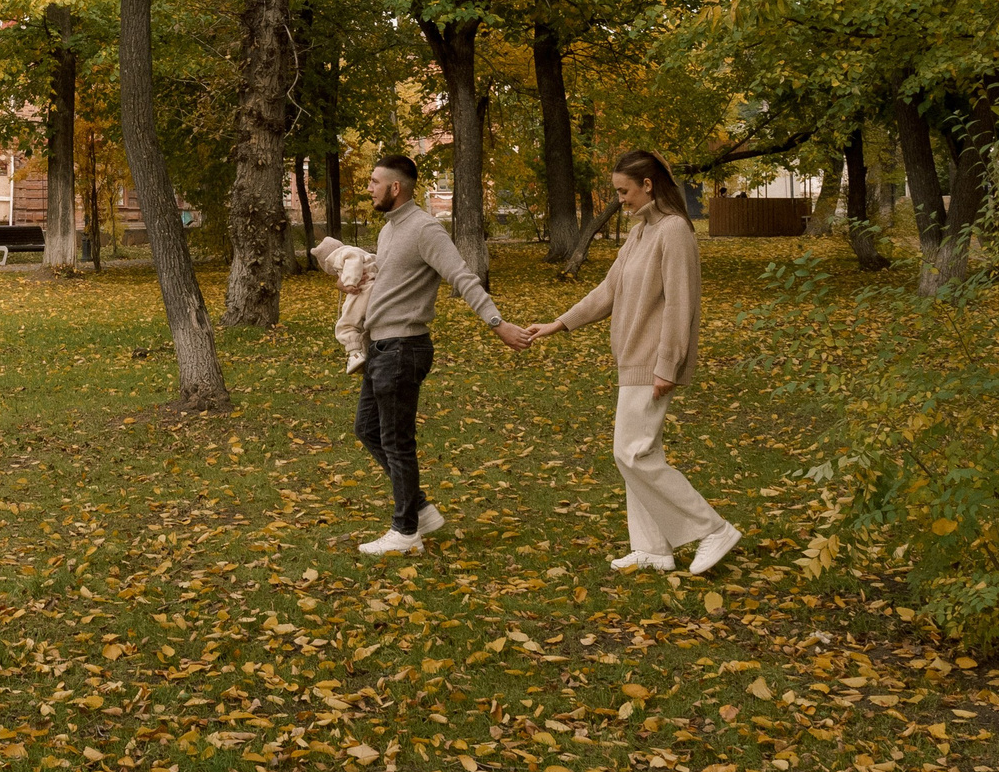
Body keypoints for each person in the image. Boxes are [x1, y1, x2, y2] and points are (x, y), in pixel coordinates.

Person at [524, 149, 741, 576]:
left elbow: (682, 306)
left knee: (633, 454)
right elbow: (608, 291)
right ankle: (652, 549)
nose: (619, 200)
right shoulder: (640, 233)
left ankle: (711, 528)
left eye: (624, 191)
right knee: (639, 453)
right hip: (631, 360)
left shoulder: (674, 231)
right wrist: (558, 324)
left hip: (652, 362)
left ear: (648, 185)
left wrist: (667, 365)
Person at [355, 156, 534, 556]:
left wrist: (497, 323)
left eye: (373, 182)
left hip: (404, 348)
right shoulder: (388, 230)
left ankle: (405, 531)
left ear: (395, 188)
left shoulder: (425, 229)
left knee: (397, 441)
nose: (369, 188)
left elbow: (461, 276)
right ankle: (419, 508)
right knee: (367, 429)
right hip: (381, 346)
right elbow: (390, 281)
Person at [310, 235, 377, 373]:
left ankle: (355, 354)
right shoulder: (360, 253)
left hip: (362, 291)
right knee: (361, 323)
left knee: (346, 324)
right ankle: (364, 352)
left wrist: (350, 282)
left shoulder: (343, 255)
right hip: (374, 290)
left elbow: (353, 262)